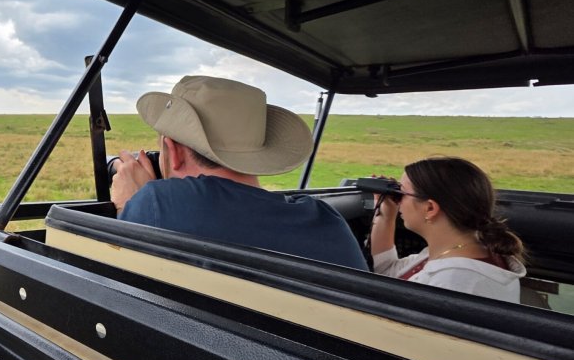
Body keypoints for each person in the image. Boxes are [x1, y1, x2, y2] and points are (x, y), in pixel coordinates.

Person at [110, 75, 368, 270]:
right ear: (258, 154)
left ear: (173, 151)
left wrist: (129, 202)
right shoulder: (328, 222)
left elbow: (122, 278)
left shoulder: (158, 205)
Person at [370, 157, 526, 302]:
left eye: (400, 193)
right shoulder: (456, 252)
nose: (397, 201)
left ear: (430, 208)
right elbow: (386, 273)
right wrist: (386, 216)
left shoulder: (452, 283)